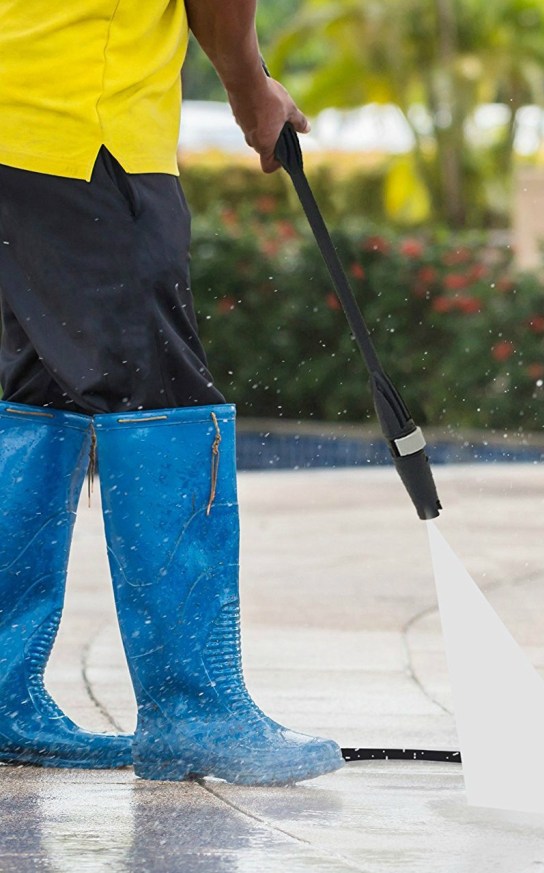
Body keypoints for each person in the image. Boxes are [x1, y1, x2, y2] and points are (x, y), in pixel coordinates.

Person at [0, 1, 344, 785]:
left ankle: (2, 691)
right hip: (81, 126)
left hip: (20, 115)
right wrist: (250, 89)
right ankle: (195, 710)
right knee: (160, 393)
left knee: (43, 391)